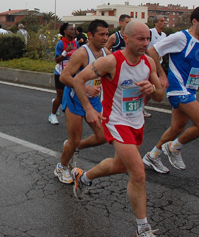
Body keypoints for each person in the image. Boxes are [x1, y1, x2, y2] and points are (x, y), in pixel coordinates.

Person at [70, 21, 165, 237]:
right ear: (127, 38)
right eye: (141, 39)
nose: (146, 43)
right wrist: (89, 110)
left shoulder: (149, 62)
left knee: (119, 166)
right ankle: (143, 229)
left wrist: (152, 88)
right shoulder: (111, 62)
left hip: (137, 122)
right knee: (138, 173)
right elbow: (78, 79)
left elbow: (160, 96)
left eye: (148, 39)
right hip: (115, 122)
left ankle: (84, 178)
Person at [142, 7, 199, 174]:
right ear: (195, 21)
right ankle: (174, 148)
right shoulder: (181, 37)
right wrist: (161, 74)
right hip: (178, 89)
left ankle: (153, 155)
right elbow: (152, 51)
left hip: (191, 90)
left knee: (177, 128)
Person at [54, 19, 109, 184]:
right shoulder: (82, 54)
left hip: (94, 100)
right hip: (74, 98)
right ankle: (61, 167)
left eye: (107, 34)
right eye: (101, 34)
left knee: (102, 136)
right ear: (90, 35)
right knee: (75, 137)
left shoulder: (107, 54)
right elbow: (64, 77)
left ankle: (74, 148)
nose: (105, 38)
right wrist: (85, 88)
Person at [49, 23, 78, 125]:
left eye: (74, 30)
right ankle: (52, 115)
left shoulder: (76, 43)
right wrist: (66, 51)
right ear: (65, 31)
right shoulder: (60, 44)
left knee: (73, 95)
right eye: (71, 29)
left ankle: (72, 116)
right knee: (60, 96)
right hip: (60, 73)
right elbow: (57, 59)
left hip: (72, 73)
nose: (73, 31)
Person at [143, 15, 168, 118]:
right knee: (149, 87)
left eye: (164, 21)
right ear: (155, 23)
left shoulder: (164, 35)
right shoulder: (150, 32)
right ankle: (139, 107)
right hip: (147, 64)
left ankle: (141, 107)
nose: (164, 23)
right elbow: (144, 46)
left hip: (158, 65)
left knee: (151, 89)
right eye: (161, 21)